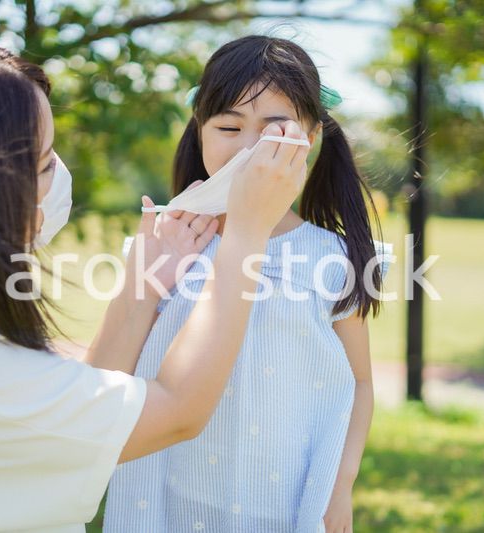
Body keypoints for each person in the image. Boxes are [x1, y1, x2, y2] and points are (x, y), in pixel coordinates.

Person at [0, 38, 310, 532]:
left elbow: (76, 413)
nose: (57, 177)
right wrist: (247, 233)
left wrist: (144, 284)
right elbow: (176, 410)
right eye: (45, 162)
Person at [105, 35, 392, 533]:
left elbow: (360, 381)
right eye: (229, 126)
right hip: (165, 494)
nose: (249, 146)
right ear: (200, 131)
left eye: (275, 128)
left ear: (312, 134)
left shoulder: (332, 258)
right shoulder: (167, 242)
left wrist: (340, 484)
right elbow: (113, 372)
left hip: (281, 499)